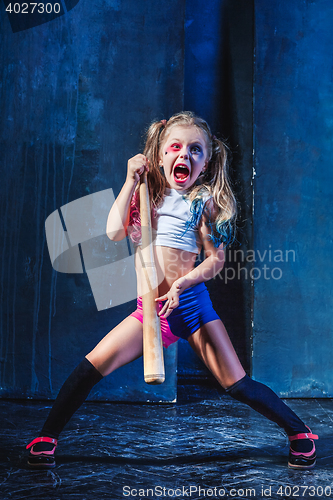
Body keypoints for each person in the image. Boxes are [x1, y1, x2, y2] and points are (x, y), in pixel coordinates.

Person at [26, 111, 318, 470]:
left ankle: (299, 431)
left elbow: (215, 261)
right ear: (160, 155)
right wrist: (130, 181)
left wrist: (182, 282)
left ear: (207, 161)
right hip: (150, 310)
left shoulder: (204, 203)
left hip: (193, 307)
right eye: (176, 147)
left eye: (196, 150)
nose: (186, 155)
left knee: (238, 384)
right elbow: (115, 232)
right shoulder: (147, 197)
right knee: (92, 366)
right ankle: (47, 437)